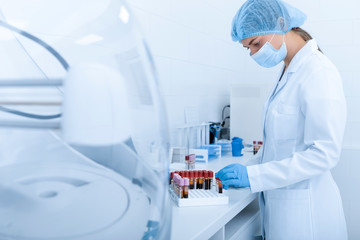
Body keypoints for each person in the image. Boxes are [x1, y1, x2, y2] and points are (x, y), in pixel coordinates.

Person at [215, 0, 348, 239]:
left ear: (281, 24)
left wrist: (253, 177)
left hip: (308, 217)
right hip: (283, 209)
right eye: (248, 48)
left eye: (255, 43)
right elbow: (279, 146)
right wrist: (248, 169)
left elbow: (324, 153)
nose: (253, 53)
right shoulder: (288, 70)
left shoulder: (318, 71)